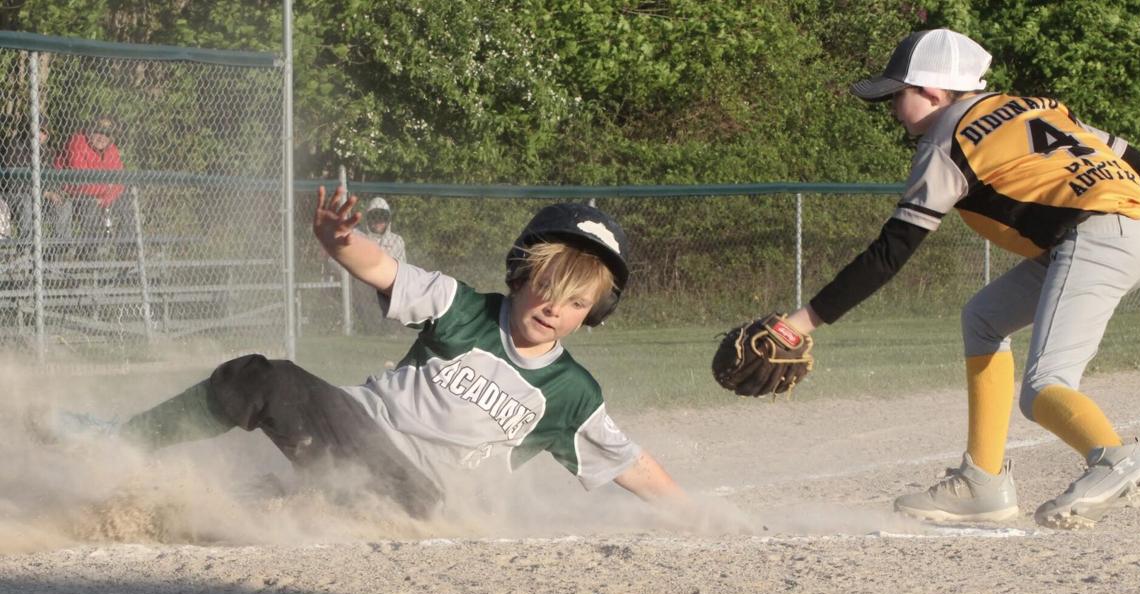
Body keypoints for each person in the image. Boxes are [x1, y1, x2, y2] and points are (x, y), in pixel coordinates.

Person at [51, 188, 703, 525]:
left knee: (274, 439)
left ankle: (128, 463)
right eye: (545, 285)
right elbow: (383, 268)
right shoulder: (461, 309)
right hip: (355, 432)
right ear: (518, 273)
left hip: (420, 493)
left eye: (574, 301)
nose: (553, 305)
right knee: (259, 388)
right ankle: (116, 456)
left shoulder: (568, 392)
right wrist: (339, 242)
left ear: (594, 315)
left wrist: (700, 517)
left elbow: (630, 461)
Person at [730, 28, 1140, 530]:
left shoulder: (947, 140)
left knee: (1044, 384)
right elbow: (1137, 161)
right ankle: (984, 482)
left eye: (899, 95)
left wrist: (799, 323)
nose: (893, 109)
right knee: (983, 319)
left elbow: (890, 253)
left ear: (933, 94)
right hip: (1125, 225)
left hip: (1095, 236)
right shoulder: (1033, 104)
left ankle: (1116, 459)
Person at [59, 115, 131, 238]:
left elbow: (119, 182)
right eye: (98, 132)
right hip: (74, 194)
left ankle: (128, 248)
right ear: (90, 130)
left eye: (107, 134)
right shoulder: (78, 142)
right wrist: (107, 188)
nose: (102, 137)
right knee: (90, 204)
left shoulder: (111, 149)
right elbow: (82, 181)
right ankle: (90, 250)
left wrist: (105, 199)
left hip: (101, 196)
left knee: (127, 201)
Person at [353, 196, 407, 333]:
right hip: (364, 281)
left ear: (388, 219)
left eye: (382, 217)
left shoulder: (397, 240)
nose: (378, 221)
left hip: (388, 282)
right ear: (368, 218)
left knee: (395, 290)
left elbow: (402, 268)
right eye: (374, 216)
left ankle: (391, 331)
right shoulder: (356, 235)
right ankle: (371, 330)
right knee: (361, 289)